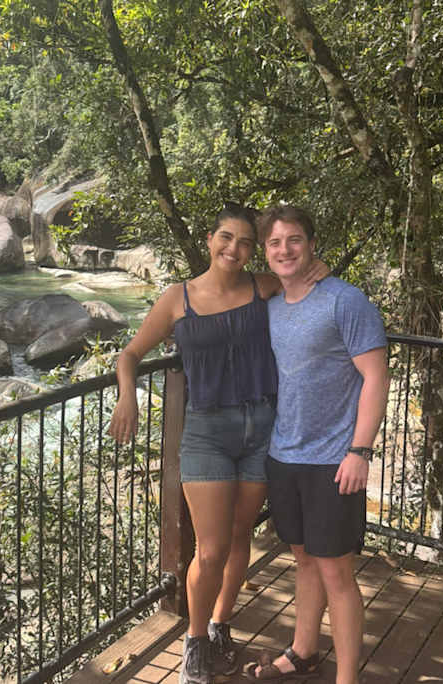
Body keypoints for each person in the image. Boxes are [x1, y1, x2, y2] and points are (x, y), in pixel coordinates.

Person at [108, 205, 328, 684]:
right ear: (209, 239)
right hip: (207, 431)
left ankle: (220, 624)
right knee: (209, 550)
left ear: (253, 251)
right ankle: (194, 644)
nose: (234, 248)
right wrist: (127, 396)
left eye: (245, 242)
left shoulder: (262, 287)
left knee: (239, 534)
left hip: (262, 427)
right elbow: (131, 353)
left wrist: (319, 266)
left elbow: (306, 275)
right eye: (226, 237)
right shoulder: (178, 298)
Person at [244, 205, 389, 684]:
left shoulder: (345, 301)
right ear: (265, 252)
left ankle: (347, 678)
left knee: (336, 575)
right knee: (304, 560)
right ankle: (303, 652)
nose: (285, 249)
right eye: (275, 242)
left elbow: (376, 377)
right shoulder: (270, 304)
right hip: (283, 454)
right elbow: (232, 287)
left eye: (294, 240)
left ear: (311, 244)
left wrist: (360, 451)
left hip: (334, 461)